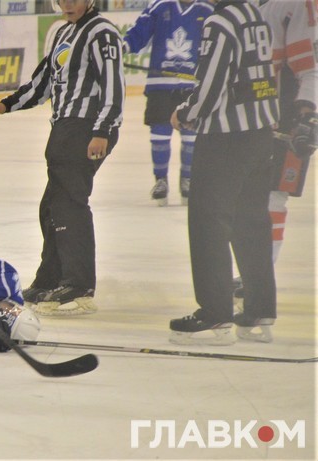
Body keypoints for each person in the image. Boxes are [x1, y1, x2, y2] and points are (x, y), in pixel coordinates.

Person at [0, 0, 125, 316]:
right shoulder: (64, 33)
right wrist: (7, 104)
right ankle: (51, 279)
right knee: (52, 206)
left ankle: (78, 285)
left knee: (68, 203)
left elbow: (114, 86)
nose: (67, 3)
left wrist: (102, 130)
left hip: (86, 127)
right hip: (65, 128)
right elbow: (42, 84)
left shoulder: (102, 32)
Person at [169, 0, 280, 345]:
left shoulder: (219, 23)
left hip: (226, 139)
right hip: (261, 135)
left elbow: (212, 84)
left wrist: (186, 113)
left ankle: (214, 314)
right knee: (251, 222)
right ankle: (259, 309)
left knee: (208, 223)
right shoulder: (253, 14)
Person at [233, 0, 317, 313]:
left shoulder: (295, 4)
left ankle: (259, 276)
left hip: (287, 118)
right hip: (257, 117)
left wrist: (307, 117)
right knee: (250, 196)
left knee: (273, 197)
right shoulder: (253, 6)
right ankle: (253, 273)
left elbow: (310, 67)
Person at [123, 0, 213, 206]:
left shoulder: (207, 11)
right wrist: (123, 46)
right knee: (160, 133)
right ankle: (161, 180)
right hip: (160, 85)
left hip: (192, 86)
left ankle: (187, 179)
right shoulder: (160, 6)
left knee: (191, 135)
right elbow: (139, 32)